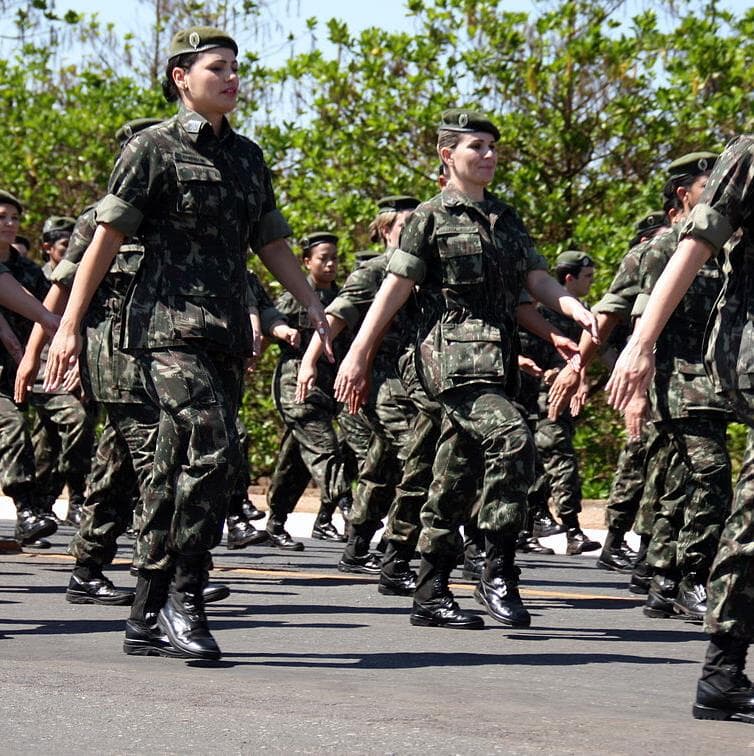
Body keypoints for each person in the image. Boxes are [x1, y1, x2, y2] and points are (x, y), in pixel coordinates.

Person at [42, 27, 332, 661]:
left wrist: (310, 301)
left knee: (184, 464)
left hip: (223, 331)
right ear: (181, 77)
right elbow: (106, 241)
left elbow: (271, 242)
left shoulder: (249, 157)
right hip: (163, 329)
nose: (231, 78)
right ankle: (184, 595)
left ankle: (145, 610)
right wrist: (67, 327)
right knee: (212, 446)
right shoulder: (153, 148)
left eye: (235, 68)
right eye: (217, 67)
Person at [333, 108, 597, 629]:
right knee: (513, 438)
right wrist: (359, 353)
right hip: (449, 358)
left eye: (493, 147)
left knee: (456, 473)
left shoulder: (505, 217)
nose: (488, 156)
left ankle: (430, 590)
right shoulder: (430, 217)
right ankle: (498, 569)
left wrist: (565, 314)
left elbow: (534, 282)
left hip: (497, 360)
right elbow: (394, 289)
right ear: (446, 154)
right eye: (476, 146)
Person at [606, 135, 754, 722]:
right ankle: (721, 662)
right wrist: (638, 348)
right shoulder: (749, 156)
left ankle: (722, 668)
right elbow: (694, 247)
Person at [265, 231, 349, 548]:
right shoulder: (294, 296)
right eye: (323, 258)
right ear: (306, 261)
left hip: (329, 388)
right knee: (324, 448)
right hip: (296, 385)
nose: (330, 264)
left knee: (296, 458)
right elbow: (270, 320)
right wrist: (282, 332)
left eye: (334, 258)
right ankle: (350, 513)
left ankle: (275, 521)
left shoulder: (341, 298)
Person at [29, 215, 96, 529]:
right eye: (65, 245)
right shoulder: (37, 279)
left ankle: (51, 504)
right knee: (66, 427)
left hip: (76, 368)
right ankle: (49, 503)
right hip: (43, 371)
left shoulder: (88, 277)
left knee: (53, 438)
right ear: (47, 248)